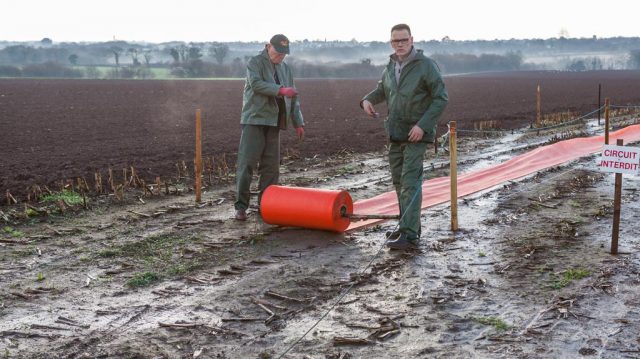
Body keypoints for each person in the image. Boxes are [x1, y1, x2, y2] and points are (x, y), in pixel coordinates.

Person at [360, 24, 448, 250]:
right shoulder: (390, 66)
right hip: (395, 133)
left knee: (410, 182)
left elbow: (441, 98)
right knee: (399, 182)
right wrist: (367, 100)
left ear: (412, 40)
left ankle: (410, 235)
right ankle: (406, 226)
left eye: (403, 40)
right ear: (390, 42)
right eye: (395, 41)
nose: (399, 44)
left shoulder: (426, 66)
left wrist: (422, 125)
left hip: (417, 134)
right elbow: (382, 89)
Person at [234, 34, 305, 221]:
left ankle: (265, 205)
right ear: (268, 46)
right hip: (254, 120)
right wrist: (281, 90)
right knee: (246, 164)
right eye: (277, 52)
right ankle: (241, 206)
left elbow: (294, 98)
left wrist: (298, 122)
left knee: (271, 168)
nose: (280, 56)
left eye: (284, 54)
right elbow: (256, 85)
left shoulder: (286, 69)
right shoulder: (255, 63)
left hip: (275, 122)